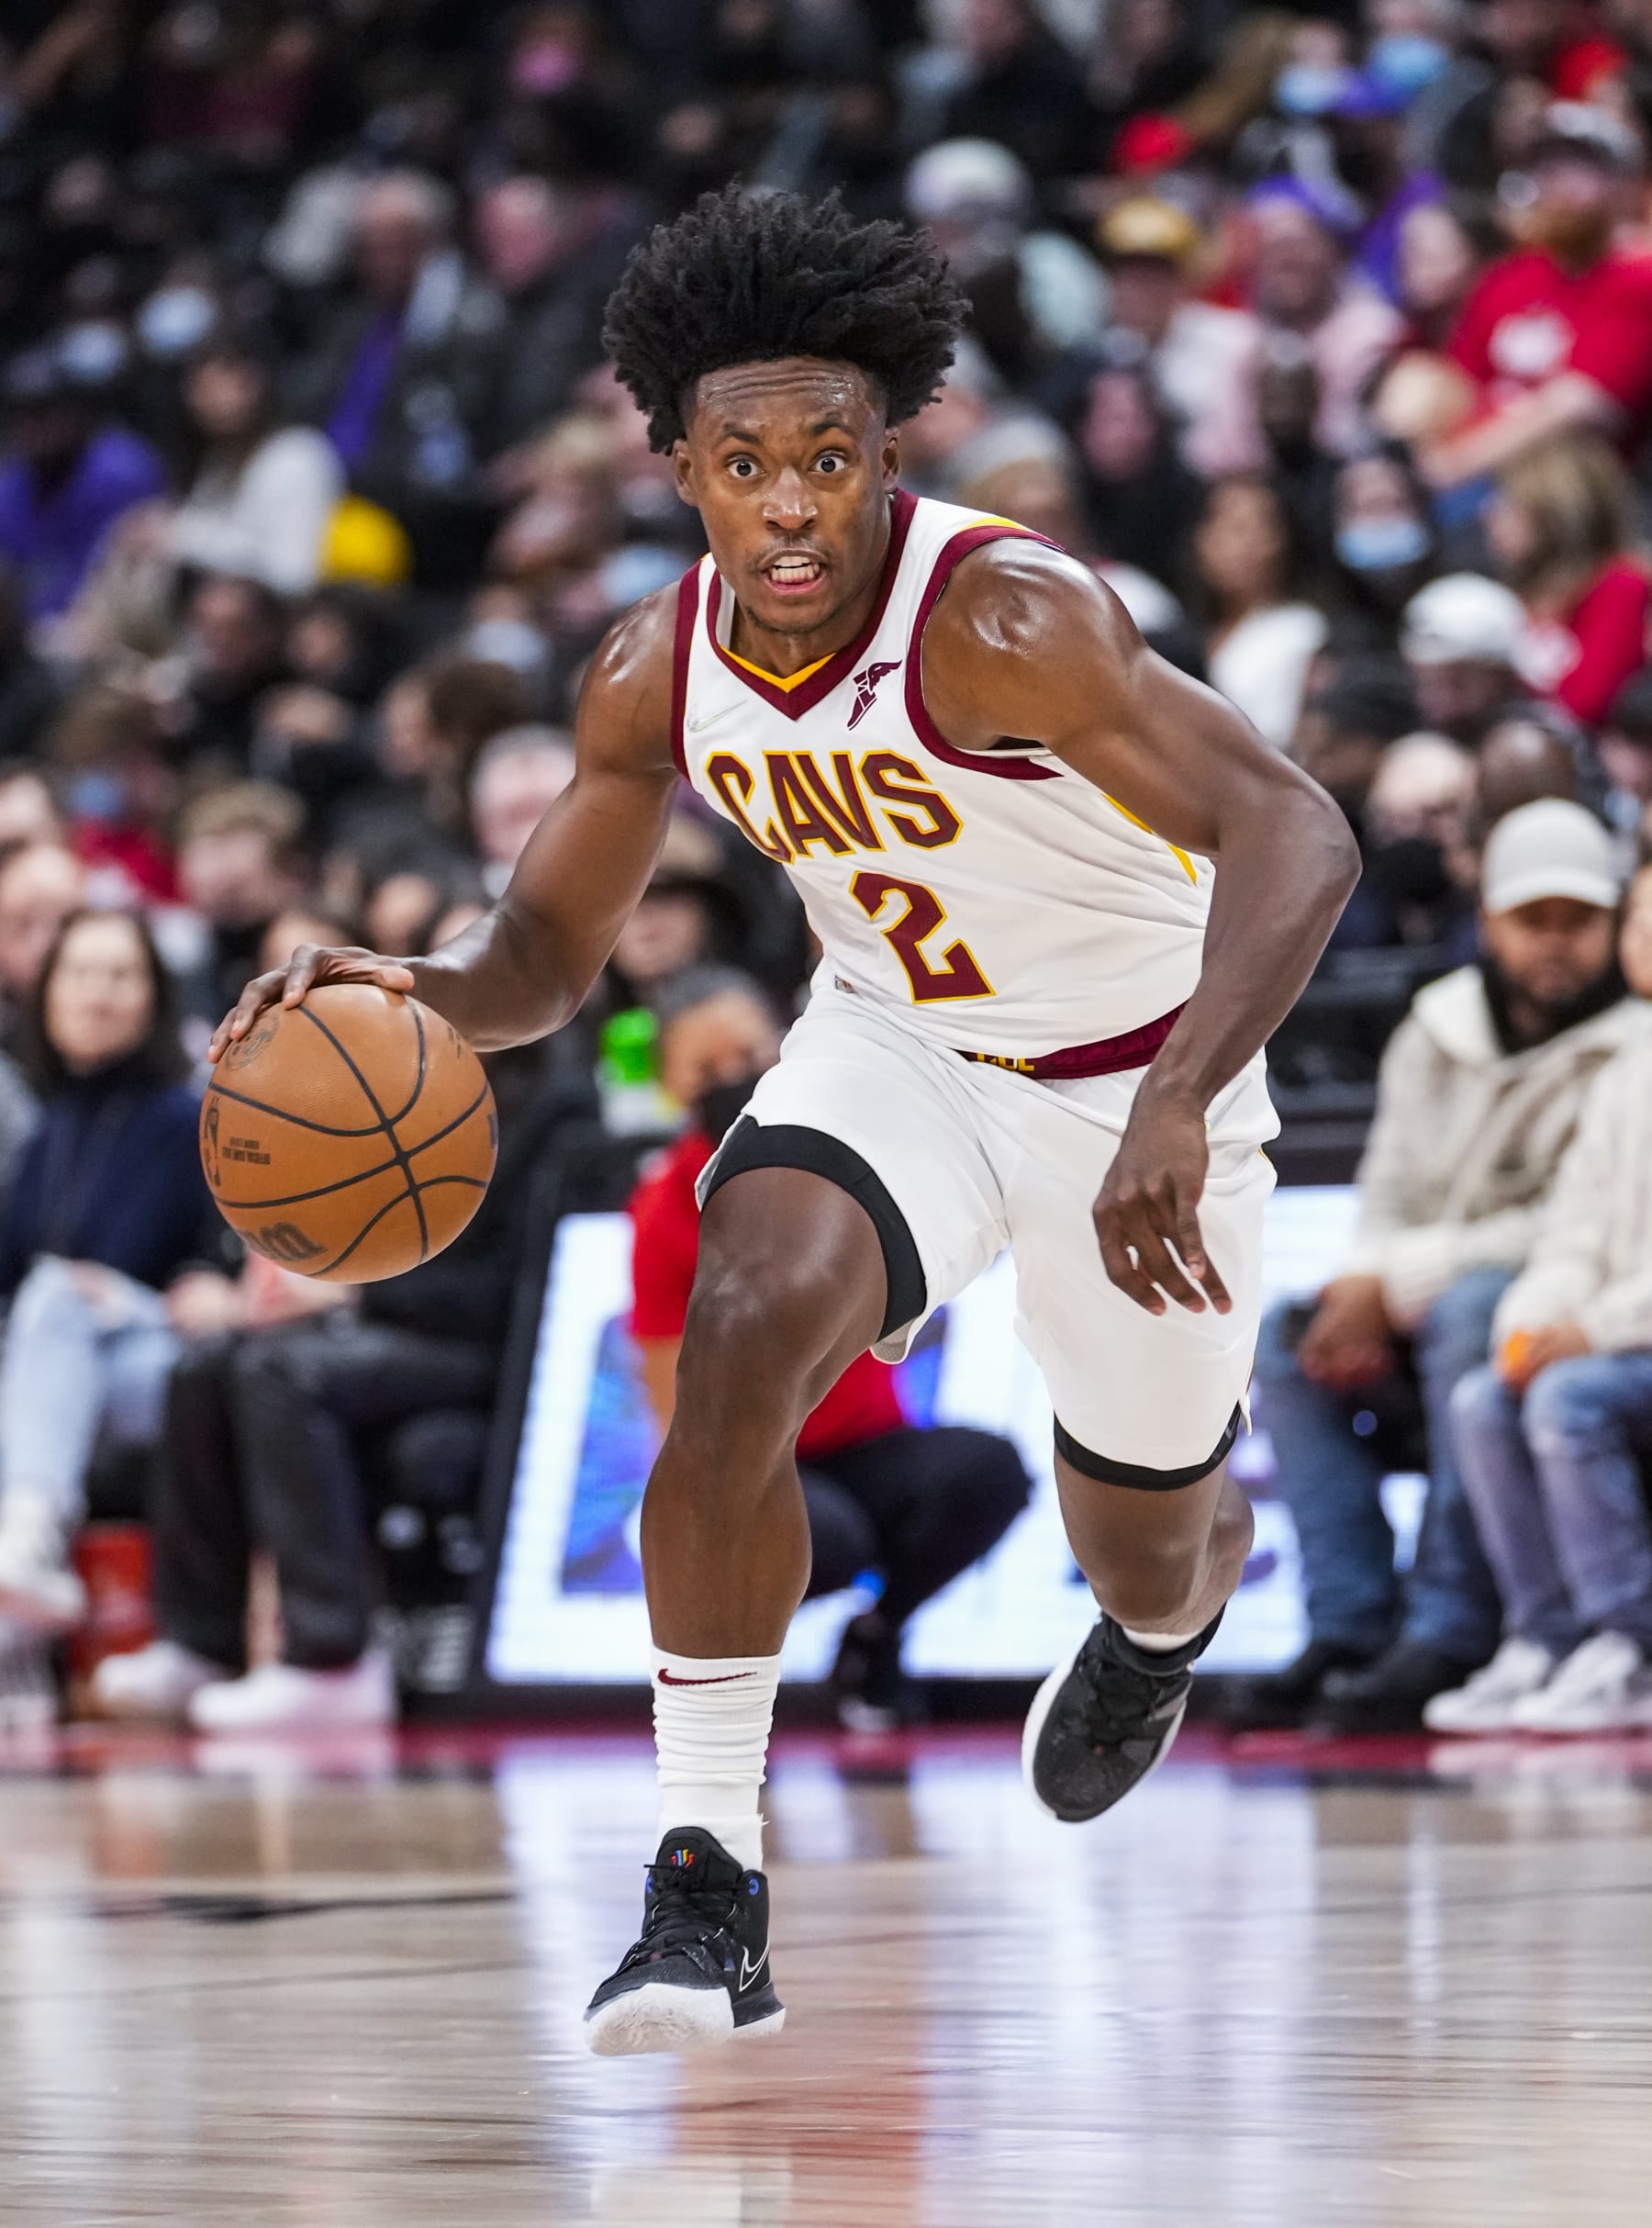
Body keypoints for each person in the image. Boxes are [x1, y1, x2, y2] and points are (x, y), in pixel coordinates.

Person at [213, 188, 1356, 2054]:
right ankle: (704, 1873)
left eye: (831, 453)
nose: (795, 499)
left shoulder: (1004, 614)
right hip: (897, 1049)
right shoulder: (653, 670)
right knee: (740, 1327)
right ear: (676, 466)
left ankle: (1163, 1623)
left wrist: (1179, 1093)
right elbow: (543, 959)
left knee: (1143, 1531)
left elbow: (1296, 827)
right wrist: (401, 994)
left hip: (1139, 1084)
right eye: (746, 461)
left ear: (889, 441)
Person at [1234, 801, 1641, 1733]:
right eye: (1531, 919)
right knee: (1286, 1347)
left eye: (1578, 921)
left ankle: (1451, 1629)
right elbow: (1389, 1190)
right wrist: (1360, 1284)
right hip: (1429, 1301)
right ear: (1489, 920)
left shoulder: (1632, 1047)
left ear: (1613, 924)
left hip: (1531, 1312)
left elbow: (1565, 1226)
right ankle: (1347, 1628)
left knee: (1478, 1312)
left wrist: (1396, 1284)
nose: (1555, 944)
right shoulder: (1436, 1025)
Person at [92, 1034, 586, 1732]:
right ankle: (199, 1641)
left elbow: (509, 1287)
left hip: (482, 1345)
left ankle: (332, 1658)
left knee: (281, 1369)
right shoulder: (393, 1089)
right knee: (205, 1362)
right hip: (387, 1325)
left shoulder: (558, 1108)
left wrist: (355, 1289)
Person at [631, 968, 1032, 1729]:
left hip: (865, 1445)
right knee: (827, 1537)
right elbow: (660, 1377)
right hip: (754, 1454)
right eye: (705, 1070)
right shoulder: (664, 1208)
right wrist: (693, 1515)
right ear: (670, 1088)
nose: (733, 1079)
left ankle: (876, 1637)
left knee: (988, 1472)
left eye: (746, 1054)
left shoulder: (849, 1147)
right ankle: (729, 1687)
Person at [1431, 863, 1652, 1733]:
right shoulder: (1626, 1073)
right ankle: (1549, 1639)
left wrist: (1591, 1330)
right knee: (1487, 1394)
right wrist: (1534, 1320)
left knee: (1569, 1395)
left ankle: (1631, 1642)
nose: (1638, 931)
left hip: (1623, 1344)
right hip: (1621, 1341)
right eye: (1636, 913)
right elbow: (1574, 1233)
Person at [0, 909, 223, 1630]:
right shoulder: (48, 1130)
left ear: (154, 997)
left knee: (58, 1295)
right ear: (49, 994)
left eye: (121, 975)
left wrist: (137, 1299)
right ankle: (18, 1629)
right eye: (82, 973)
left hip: (167, 1361)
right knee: (50, 1312)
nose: (99, 993)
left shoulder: (190, 1119)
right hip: (69, 1374)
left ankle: (31, 1535)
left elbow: (225, 1272)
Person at [1428, 104, 1652, 488]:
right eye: (1546, 168)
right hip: (1485, 482)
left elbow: (1577, 408)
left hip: (1582, 489)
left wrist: (1450, 467)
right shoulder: (1510, 276)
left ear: (1624, 184)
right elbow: (1456, 384)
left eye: (1578, 166)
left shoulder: (1638, 279)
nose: (1557, 183)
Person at [1488, 433, 1650, 730]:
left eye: (1509, 504)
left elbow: (1587, 704)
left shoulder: (1621, 584)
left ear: (1554, 512)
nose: (1491, 515)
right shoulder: (1520, 592)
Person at [167, 334, 343, 596]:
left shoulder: (298, 456)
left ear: (257, 382)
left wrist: (180, 537)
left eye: (223, 382)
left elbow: (292, 576)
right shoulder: (217, 462)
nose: (211, 397)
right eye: (201, 386)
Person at [1189, 472, 1329, 749]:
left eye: (1253, 528)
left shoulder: (1299, 629)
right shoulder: (1186, 638)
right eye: (1225, 526)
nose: (1243, 545)